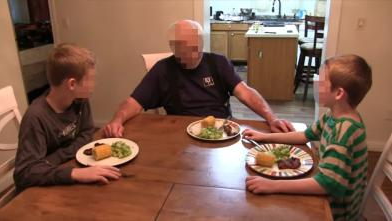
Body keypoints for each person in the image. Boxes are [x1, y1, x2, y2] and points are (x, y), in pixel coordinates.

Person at [103, 19, 293, 138]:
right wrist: (117, 120)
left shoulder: (218, 63)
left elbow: (246, 93)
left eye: (196, 49)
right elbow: (133, 102)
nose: (192, 56)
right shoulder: (162, 70)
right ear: (173, 48)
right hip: (179, 134)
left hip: (221, 132)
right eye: (185, 51)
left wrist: (271, 117)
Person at [243, 54, 372, 221]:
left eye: (322, 81)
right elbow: (304, 135)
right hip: (326, 194)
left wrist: (273, 185)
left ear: (339, 93)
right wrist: (265, 137)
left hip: (336, 213)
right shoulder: (333, 116)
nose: (315, 82)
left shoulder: (345, 131)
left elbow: (326, 184)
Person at [14, 43, 121, 191]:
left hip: (58, 170)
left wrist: (53, 159)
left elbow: (86, 133)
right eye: (90, 79)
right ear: (72, 84)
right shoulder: (35, 117)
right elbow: (25, 173)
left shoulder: (80, 100)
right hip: (40, 190)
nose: (93, 84)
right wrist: (74, 173)